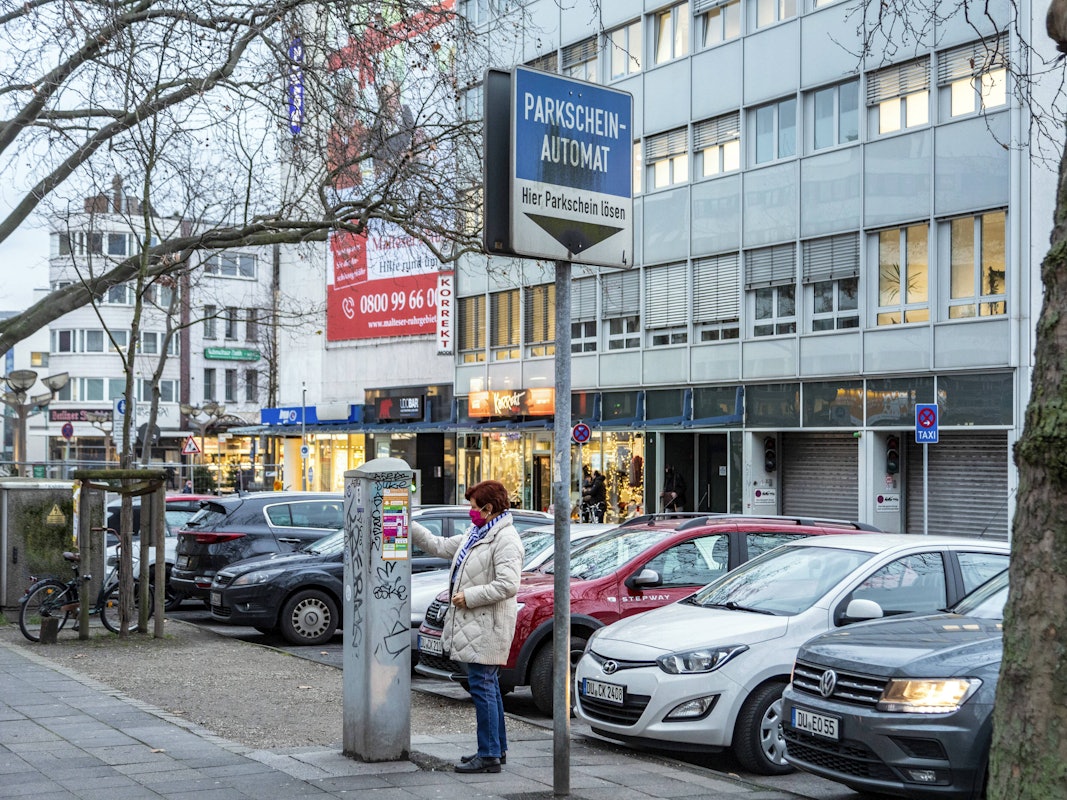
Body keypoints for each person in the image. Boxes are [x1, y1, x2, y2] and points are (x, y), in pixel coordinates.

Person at [409, 480, 524, 774]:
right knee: (489, 686)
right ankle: (496, 749)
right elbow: (438, 545)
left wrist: (469, 597)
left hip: (487, 624)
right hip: (478, 624)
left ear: (489, 508)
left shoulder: (506, 539)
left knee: (483, 687)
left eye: (473, 507)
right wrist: (405, 522)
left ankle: (488, 756)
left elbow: (508, 584)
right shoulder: (477, 534)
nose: (469, 512)